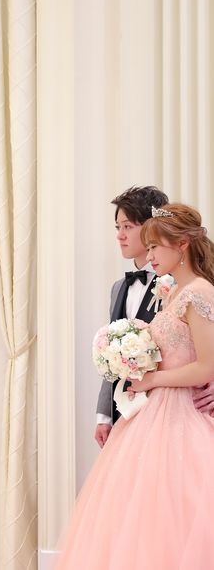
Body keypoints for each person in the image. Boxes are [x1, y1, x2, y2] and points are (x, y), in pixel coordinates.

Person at [55, 203, 214, 569]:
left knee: (180, 510)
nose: (150, 254)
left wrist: (152, 379)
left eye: (156, 246)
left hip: (183, 414)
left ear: (182, 245)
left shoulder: (198, 293)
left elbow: (206, 365)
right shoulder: (172, 292)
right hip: (152, 412)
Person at [95, 187, 214, 447]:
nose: (120, 235)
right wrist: (104, 414)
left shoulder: (192, 288)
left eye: (127, 226)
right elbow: (114, 354)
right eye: (118, 227)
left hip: (185, 409)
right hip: (142, 407)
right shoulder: (132, 289)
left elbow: (205, 354)